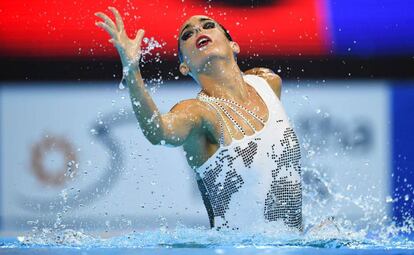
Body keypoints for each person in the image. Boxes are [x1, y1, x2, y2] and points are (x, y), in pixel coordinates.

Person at [95, 6, 302, 231]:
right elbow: (158, 131)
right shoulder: (198, 113)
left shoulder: (268, 83)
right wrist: (133, 71)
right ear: (184, 67)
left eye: (207, 25)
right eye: (187, 34)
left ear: (234, 45)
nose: (197, 30)